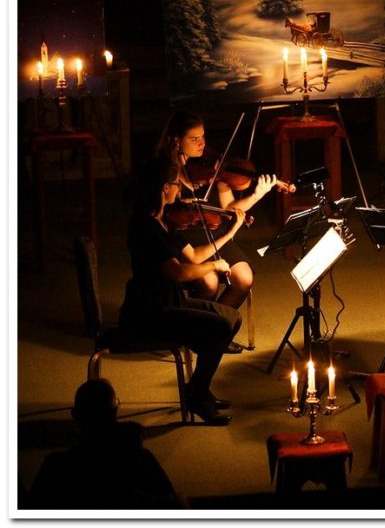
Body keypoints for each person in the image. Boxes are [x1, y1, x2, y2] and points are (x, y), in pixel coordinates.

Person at [120, 156, 242, 425]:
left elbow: (195, 256)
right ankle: (197, 395)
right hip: (151, 310)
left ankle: (197, 388)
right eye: (176, 184)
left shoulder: (163, 220)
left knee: (232, 318)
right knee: (221, 326)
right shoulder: (146, 226)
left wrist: (228, 233)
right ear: (164, 188)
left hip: (169, 300)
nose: (179, 190)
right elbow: (179, 272)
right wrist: (215, 266)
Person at [155, 110, 278, 318]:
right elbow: (160, 213)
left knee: (244, 278)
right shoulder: (165, 171)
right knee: (209, 282)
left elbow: (229, 207)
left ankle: (219, 329)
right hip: (185, 239)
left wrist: (257, 195)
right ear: (176, 141)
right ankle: (200, 332)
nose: (202, 144)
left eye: (203, 137)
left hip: (214, 232)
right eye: (194, 139)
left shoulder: (211, 166)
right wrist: (182, 203)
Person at [29, 379, 183, 508]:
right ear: (115, 410)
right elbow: (173, 508)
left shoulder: (57, 467)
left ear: (75, 415)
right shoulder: (142, 460)